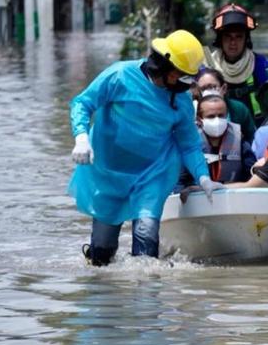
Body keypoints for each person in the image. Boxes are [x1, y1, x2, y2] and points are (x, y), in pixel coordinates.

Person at [69, 30, 225, 266]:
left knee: (146, 242)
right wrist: (81, 137)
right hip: (108, 171)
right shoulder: (120, 76)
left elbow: (189, 143)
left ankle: (147, 297)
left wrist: (203, 177)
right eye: (181, 76)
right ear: (164, 66)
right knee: (102, 254)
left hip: (153, 173)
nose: (185, 83)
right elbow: (83, 103)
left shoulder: (180, 98)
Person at [204, 3, 268, 125]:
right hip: (218, 130)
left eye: (238, 37)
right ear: (220, 39)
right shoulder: (208, 65)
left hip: (255, 130)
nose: (233, 42)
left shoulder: (260, 63)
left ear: (246, 39)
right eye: (228, 37)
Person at [194, 94, 256, 184]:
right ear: (199, 120)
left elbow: (251, 175)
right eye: (211, 116)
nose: (217, 120)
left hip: (233, 194)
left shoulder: (239, 141)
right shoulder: (190, 144)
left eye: (221, 116)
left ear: (227, 116)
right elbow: (181, 181)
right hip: (200, 195)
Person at [195, 68, 259, 143]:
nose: (207, 92)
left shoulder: (238, 109)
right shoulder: (193, 114)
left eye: (212, 87)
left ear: (224, 88)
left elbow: (253, 139)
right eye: (203, 89)